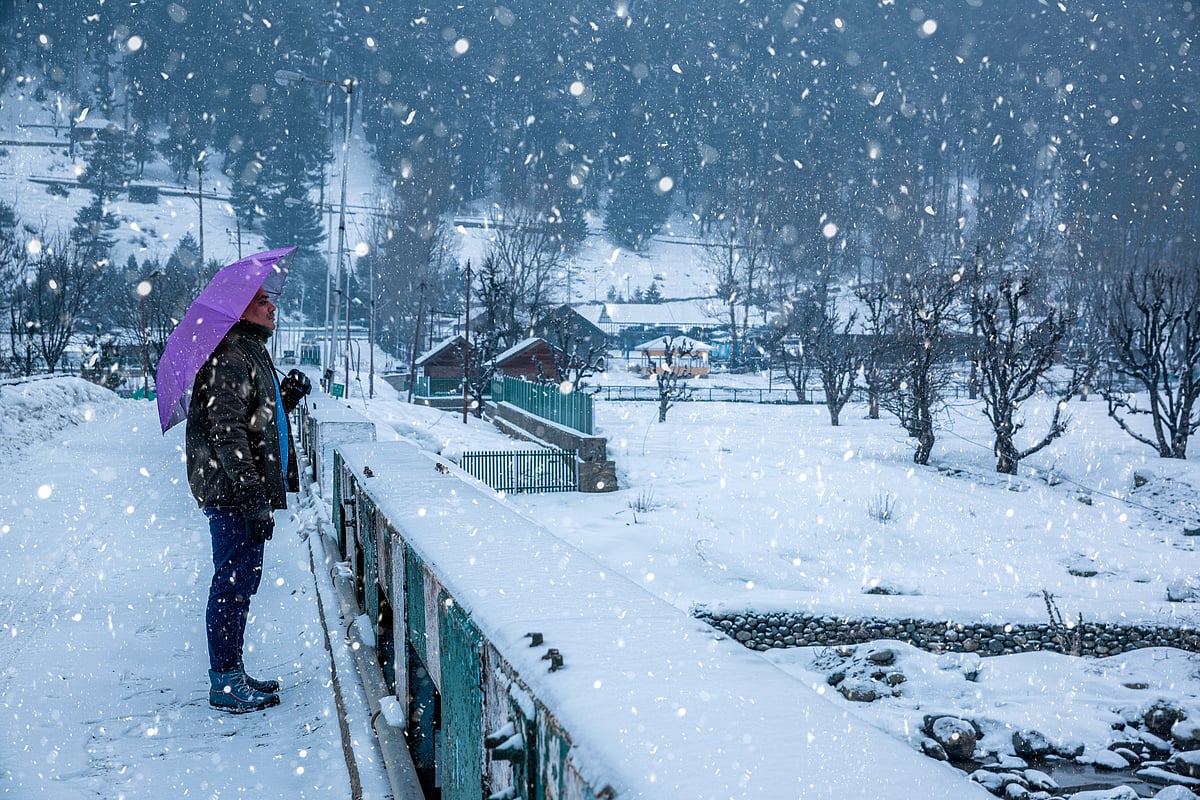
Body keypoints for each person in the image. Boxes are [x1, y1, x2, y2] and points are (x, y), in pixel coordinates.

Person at [185, 285, 312, 713]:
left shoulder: (248, 350)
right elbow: (229, 433)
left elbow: (251, 418)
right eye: (262, 301)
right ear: (240, 310)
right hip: (232, 492)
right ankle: (223, 681)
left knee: (241, 583)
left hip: (237, 490)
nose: (273, 306)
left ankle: (232, 672)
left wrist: (286, 398)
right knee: (232, 585)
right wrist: (253, 497)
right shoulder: (232, 356)